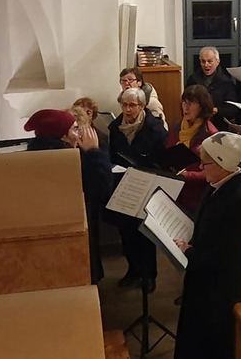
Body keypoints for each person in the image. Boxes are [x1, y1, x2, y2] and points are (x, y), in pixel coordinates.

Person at [173, 132, 241, 359]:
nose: (201, 167)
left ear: (223, 164)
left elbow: (228, 255)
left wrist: (191, 252)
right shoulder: (217, 183)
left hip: (218, 288)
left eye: (205, 163)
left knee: (211, 341)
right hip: (201, 276)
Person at [24, 109, 112, 284]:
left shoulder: (44, 154)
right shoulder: (64, 160)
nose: (78, 134)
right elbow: (101, 188)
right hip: (71, 232)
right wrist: (94, 152)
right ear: (63, 136)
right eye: (74, 129)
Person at [107, 88, 167, 292]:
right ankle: (133, 270)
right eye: (124, 105)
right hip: (124, 185)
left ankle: (149, 275)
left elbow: (162, 159)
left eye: (132, 105)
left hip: (147, 185)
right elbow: (112, 156)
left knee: (146, 234)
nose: (127, 109)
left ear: (142, 106)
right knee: (126, 232)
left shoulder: (155, 128)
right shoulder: (115, 127)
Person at [165, 85, 217, 215]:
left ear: (202, 106)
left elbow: (213, 173)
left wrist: (187, 175)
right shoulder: (177, 127)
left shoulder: (210, 134)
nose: (186, 107)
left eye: (192, 103)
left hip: (195, 195)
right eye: (184, 102)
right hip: (175, 189)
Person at [185, 46, 241, 128]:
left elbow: (233, 109)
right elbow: (185, 101)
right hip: (195, 124)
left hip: (218, 125)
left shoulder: (226, 82)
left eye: (210, 61)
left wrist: (217, 110)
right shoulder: (193, 80)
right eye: (203, 61)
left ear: (217, 61)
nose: (206, 65)